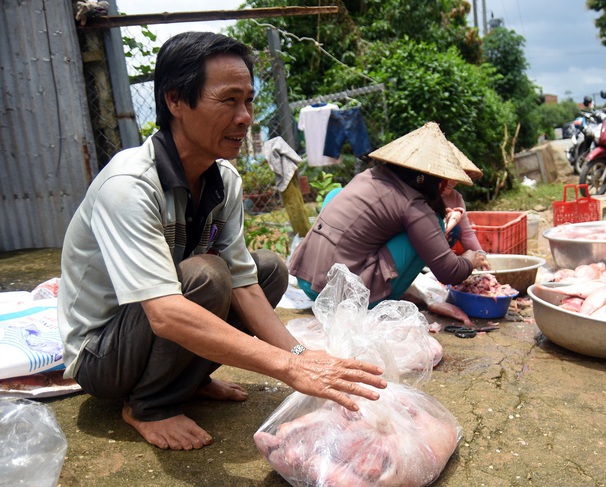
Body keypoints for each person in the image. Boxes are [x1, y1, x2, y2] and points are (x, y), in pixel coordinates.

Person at [57, 32, 386, 451]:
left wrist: (303, 357)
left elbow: (246, 286)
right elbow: (165, 315)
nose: (245, 116)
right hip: (102, 355)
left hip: (148, 330)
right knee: (207, 276)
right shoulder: (129, 184)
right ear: (175, 100)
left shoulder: (224, 179)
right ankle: (148, 405)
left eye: (248, 100)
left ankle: (187, 380)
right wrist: (286, 367)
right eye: (229, 100)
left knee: (267, 270)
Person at [288, 122, 491, 307]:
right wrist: (469, 260)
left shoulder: (368, 176)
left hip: (307, 279)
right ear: (427, 179)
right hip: (341, 297)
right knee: (433, 226)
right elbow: (449, 272)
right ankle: (383, 299)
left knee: (335, 194)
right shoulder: (413, 204)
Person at [441, 141, 484, 252]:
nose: (453, 181)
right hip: (417, 248)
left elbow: (467, 234)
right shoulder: (419, 195)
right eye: (449, 176)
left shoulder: (455, 198)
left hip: (438, 251)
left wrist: (481, 256)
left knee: (456, 229)